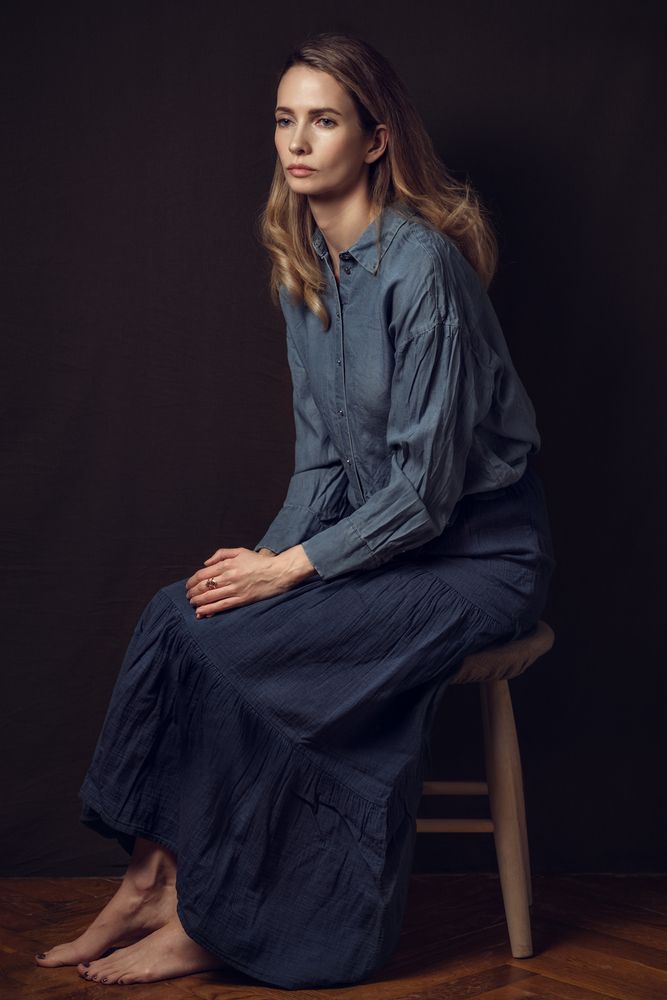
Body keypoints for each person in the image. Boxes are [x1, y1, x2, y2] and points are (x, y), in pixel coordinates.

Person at [34, 31, 556, 989]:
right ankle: (149, 882)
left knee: (248, 649)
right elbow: (322, 465)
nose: (298, 142)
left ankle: (214, 918)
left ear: (375, 140)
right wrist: (257, 572)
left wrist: (286, 572)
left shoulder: (422, 270)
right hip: (387, 548)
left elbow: (424, 497)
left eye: (324, 121)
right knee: (184, 618)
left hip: (477, 560)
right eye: (284, 120)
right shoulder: (302, 266)